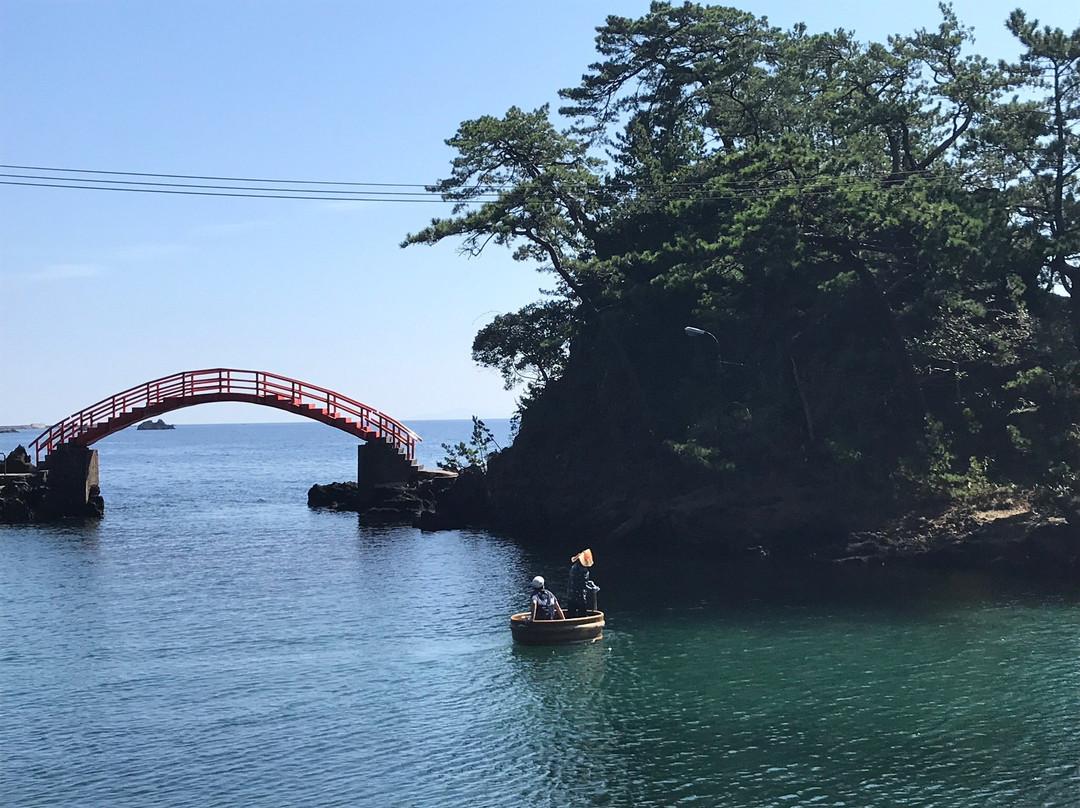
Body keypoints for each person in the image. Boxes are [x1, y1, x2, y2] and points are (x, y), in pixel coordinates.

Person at [565, 548, 600, 618]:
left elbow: (577, 581)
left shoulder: (573, 567)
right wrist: (593, 589)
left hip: (571, 595)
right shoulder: (582, 570)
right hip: (579, 596)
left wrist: (588, 583)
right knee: (582, 614)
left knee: (571, 613)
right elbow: (583, 585)